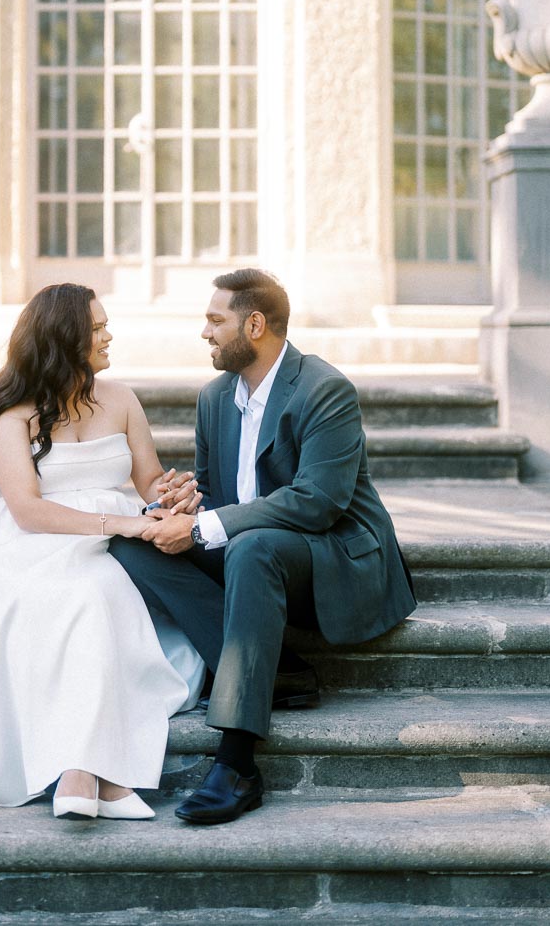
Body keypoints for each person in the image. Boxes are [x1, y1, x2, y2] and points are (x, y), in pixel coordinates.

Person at [109, 268, 417, 825]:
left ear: (254, 324)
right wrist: (183, 506)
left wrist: (205, 528)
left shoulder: (325, 390)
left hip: (332, 556)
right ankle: (277, 671)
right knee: (134, 543)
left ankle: (237, 762)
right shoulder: (214, 398)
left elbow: (318, 502)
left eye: (214, 320)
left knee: (252, 549)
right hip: (258, 556)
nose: (205, 333)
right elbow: (220, 497)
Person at [0, 283, 205, 819]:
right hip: (35, 543)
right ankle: (89, 773)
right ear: (65, 338)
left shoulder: (122, 398)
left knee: (101, 590)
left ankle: (84, 774)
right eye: (98, 328)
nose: (110, 336)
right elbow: (29, 512)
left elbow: (149, 479)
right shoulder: (14, 416)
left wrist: (174, 495)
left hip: (117, 538)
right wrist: (124, 525)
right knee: (87, 593)